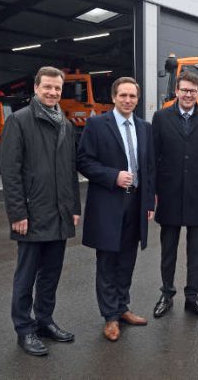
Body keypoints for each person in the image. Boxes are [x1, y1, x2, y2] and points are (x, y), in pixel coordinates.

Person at [0, 66, 81, 356]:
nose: (52, 92)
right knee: (26, 275)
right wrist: (17, 213)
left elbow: (69, 171)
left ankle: (45, 321)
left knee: (51, 274)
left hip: (59, 213)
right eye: (47, 87)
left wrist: (73, 207)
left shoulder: (66, 124)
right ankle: (24, 328)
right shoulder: (19, 122)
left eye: (57, 88)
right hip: (32, 213)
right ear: (36, 88)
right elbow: (10, 173)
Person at [77, 76, 156, 342]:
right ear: (113, 97)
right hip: (109, 203)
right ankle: (110, 317)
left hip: (135, 204)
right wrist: (113, 176)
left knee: (127, 260)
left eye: (132, 96)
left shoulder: (144, 127)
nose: (128, 100)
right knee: (108, 261)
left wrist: (148, 203)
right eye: (123, 95)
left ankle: (123, 308)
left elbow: (148, 168)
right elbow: (84, 161)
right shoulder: (97, 124)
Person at [151, 71, 198, 320]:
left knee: (196, 250)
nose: (188, 94)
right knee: (168, 249)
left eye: (193, 90)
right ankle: (167, 294)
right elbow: (153, 158)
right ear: (177, 92)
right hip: (169, 193)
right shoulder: (160, 118)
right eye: (184, 90)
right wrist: (153, 192)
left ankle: (193, 297)